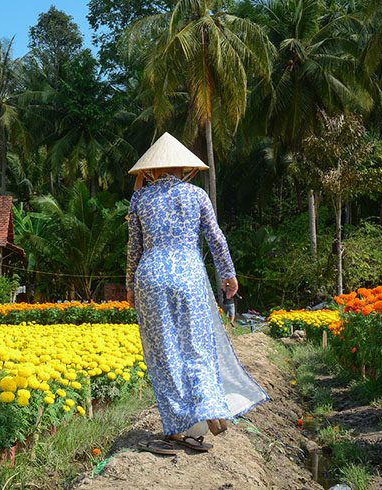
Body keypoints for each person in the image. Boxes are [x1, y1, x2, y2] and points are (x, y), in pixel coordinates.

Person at [126, 133, 269, 455]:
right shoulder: (197, 194)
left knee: (164, 352)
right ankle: (208, 408)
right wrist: (228, 274)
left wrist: (131, 286)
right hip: (189, 275)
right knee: (196, 345)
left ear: (150, 171)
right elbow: (216, 240)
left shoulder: (139, 199)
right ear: (185, 170)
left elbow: (134, 247)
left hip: (151, 276)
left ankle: (178, 428)